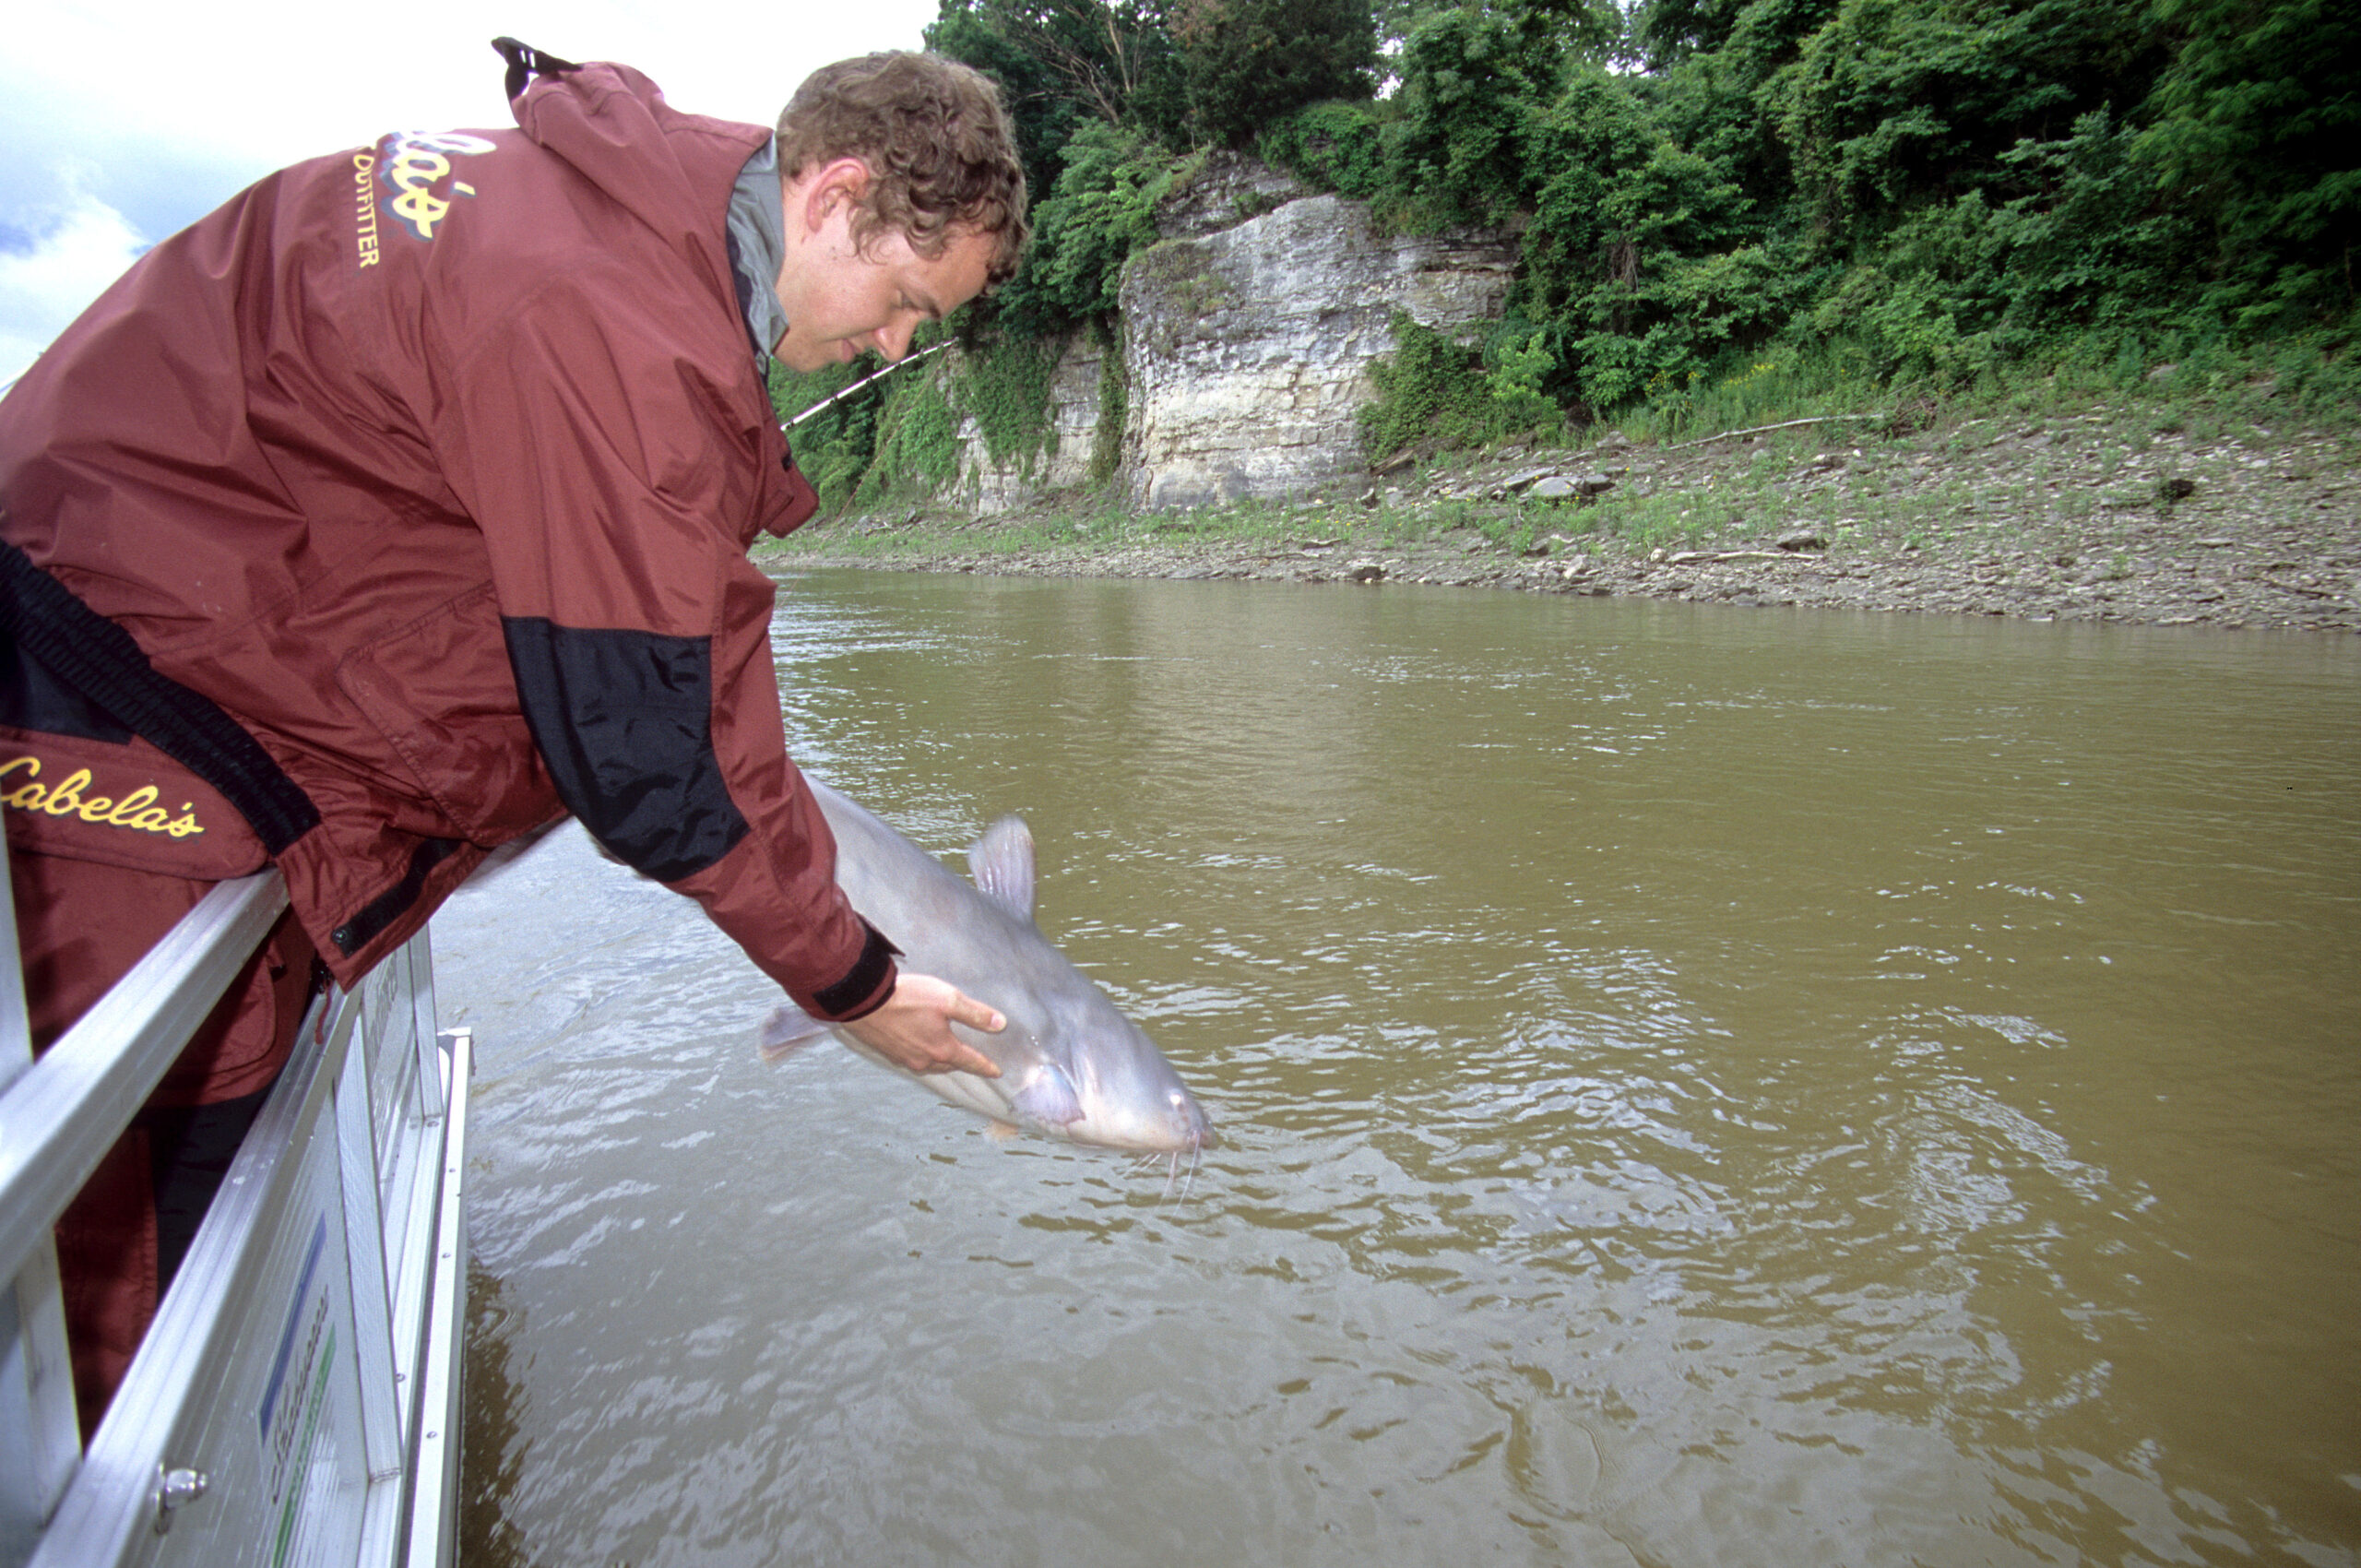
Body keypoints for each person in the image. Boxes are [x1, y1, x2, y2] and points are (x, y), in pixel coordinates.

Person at [0, 39, 1028, 1433]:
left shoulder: (617, 230)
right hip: (115, 678)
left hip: (212, 641)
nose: (901, 345)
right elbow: (650, 758)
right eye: (907, 298)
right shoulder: (609, 324)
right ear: (833, 193)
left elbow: (690, 678)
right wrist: (856, 990)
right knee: (130, 1236)